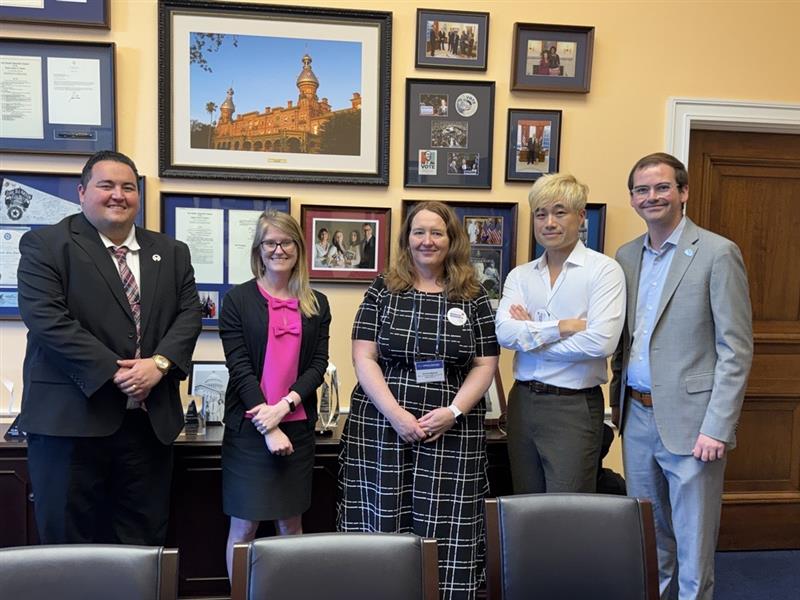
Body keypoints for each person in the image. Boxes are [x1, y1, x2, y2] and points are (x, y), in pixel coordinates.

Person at [17, 150, 202, 545]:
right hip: (71, 424)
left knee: (143, 545)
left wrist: (159, 363)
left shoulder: (172, 252)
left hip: (148, 427)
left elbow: (189, 315)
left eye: (128, 187)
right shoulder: (46, 245)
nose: (118, 195)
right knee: (69, 546)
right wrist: (118, 372)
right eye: (106, 185)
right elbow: (47, 320)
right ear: (82, 192)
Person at [338, 201, 499, 600]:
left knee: (449, 522)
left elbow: (486, 363)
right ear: (407, 238)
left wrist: (454, 411)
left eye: (437, 233)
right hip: (383, 425)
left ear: (451, 239)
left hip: (453, 430)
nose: (428, 241)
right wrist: (396, 414)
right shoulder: (383, 289)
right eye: (419, 232)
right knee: (382, 516)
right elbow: (363, 356)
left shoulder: (473, 295)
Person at [610, 153, 753, 600]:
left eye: (662, 187)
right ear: (632, 198)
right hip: (636, 417)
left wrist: (717, 426)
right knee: (649, 537)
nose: (651, 196)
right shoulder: (626, 256)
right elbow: (627, 340)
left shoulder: (717, 253)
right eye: (641, 189)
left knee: (693, 542)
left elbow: (735, 349)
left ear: (683, 192)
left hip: (694, 425)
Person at [495, 173, 625, 494]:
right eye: (541, 214)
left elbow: (600, 342)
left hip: (573, 405)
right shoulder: (520, 276)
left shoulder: (604, 271)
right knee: (524, 505)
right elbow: (505, 333)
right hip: (523, 403)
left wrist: (531, 338)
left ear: (580, 216)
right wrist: (561, 327)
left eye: (559, 212)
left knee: (568, 507)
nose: (549, 222)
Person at [219, 211, 330, 580]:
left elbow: (318, 364)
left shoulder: (317, 303)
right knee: (244, 528)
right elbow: (239, 368)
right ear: (258, 249)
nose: (278, 250)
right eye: (270, 242)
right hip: (249, 431)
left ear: (299, 248)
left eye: (286, 242)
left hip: (296, 430)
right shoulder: (237, 300)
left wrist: (284, 407)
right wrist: (268, 425)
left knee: (290, 527)